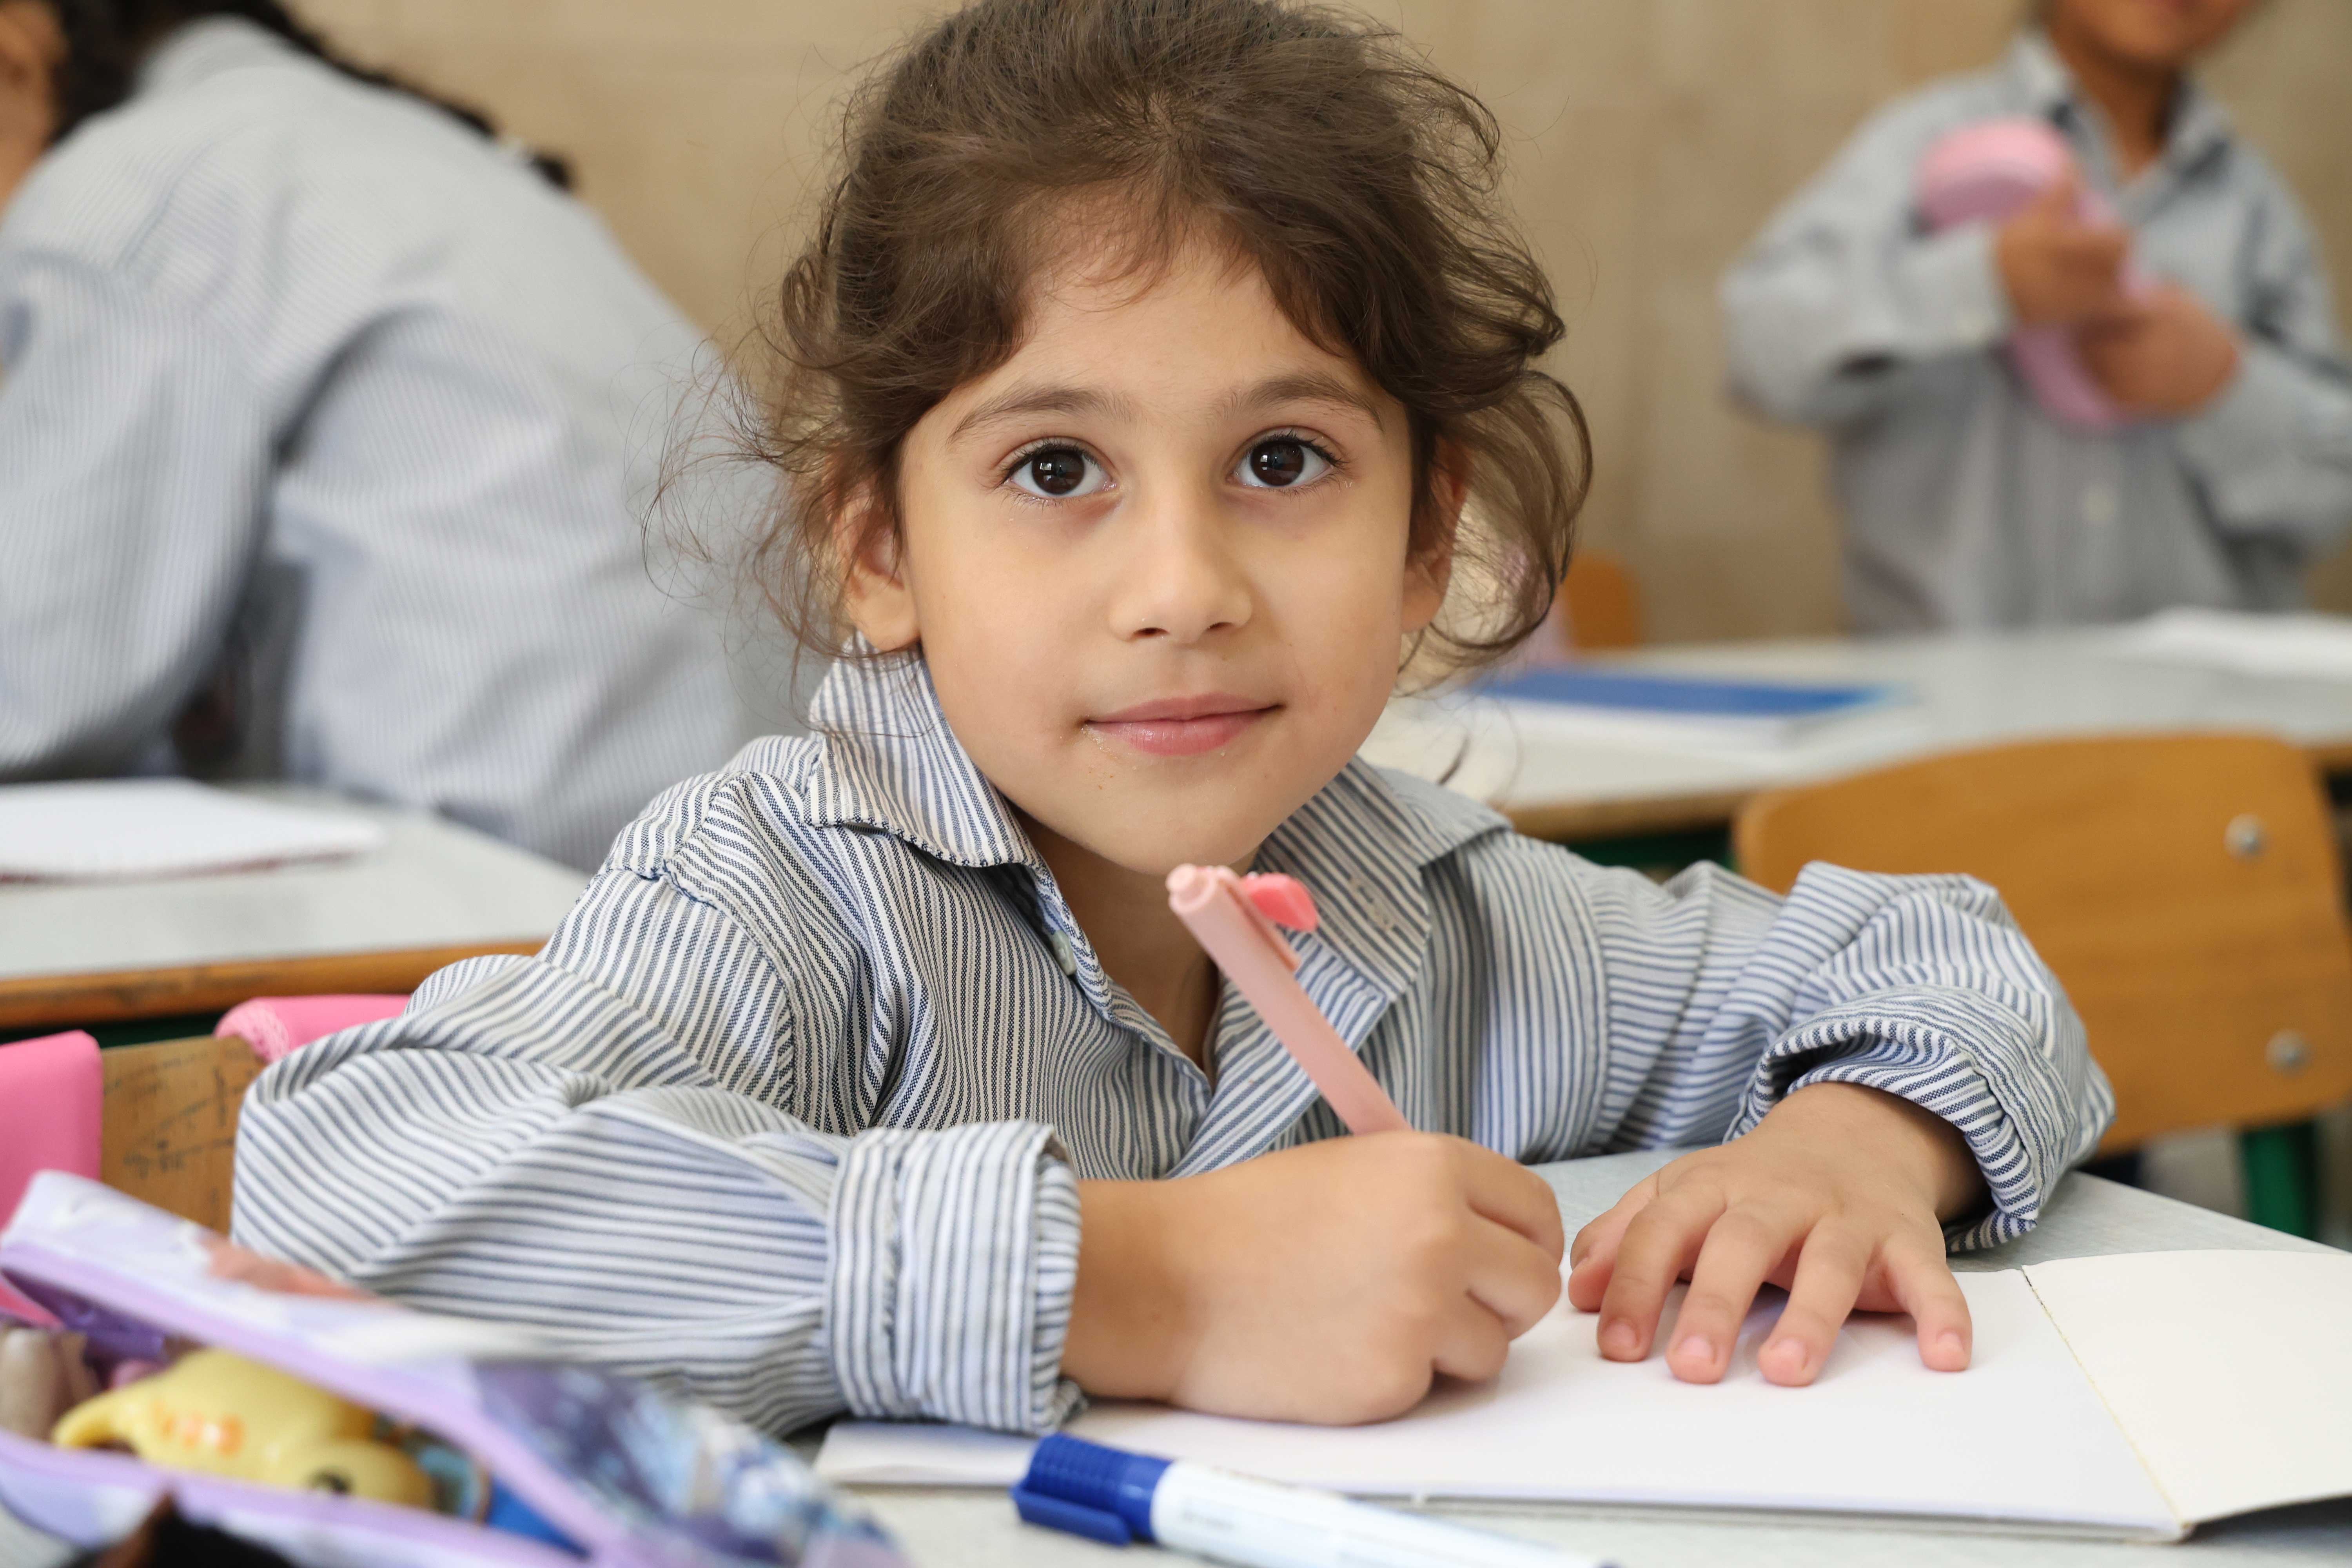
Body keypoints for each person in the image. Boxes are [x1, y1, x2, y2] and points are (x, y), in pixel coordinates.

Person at [233, 0, 2111, 1436]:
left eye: (1281, 457)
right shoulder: (788, 899)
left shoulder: (1456, 913)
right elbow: (352, 1169)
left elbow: (1943, 955)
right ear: (877, 546)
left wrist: (1853, 1143)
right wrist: (1133, 1282)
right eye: (1055, 466)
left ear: (1421, 535)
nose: (1181, 583)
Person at [0, 1, 760, 870]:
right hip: (730, 872)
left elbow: (33, 686)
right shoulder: (366, 146)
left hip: (507, 895)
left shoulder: (134, 185)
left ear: (16, 45)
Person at [1720, 0, 2352, 633]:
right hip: (1952, 693)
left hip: (2201, 710)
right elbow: (1760, 354)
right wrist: (1980, 283)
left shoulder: (2258, 209)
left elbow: (2335, 494)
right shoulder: (1921, 145)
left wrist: (2227, 386)